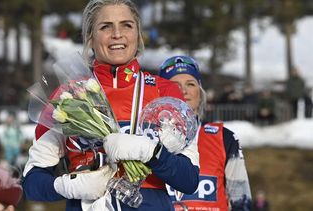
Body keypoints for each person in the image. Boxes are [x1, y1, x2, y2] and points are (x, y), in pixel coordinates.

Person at [22, 1, 200, 210]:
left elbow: (189, 180)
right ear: (90, 37)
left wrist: (151, 152)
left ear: (138, 35)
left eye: (127, 25)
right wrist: (65, 186)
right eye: (105, 26)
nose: (117, 34)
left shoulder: (166, 92)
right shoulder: (69, 97)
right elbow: (31, 184)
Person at [159, 55, 252, 211]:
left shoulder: (224, 138)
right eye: (174, 85)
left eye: (191, 84)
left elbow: (241, 201)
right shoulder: (147, 137)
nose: (183, 91)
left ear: (200, 93)